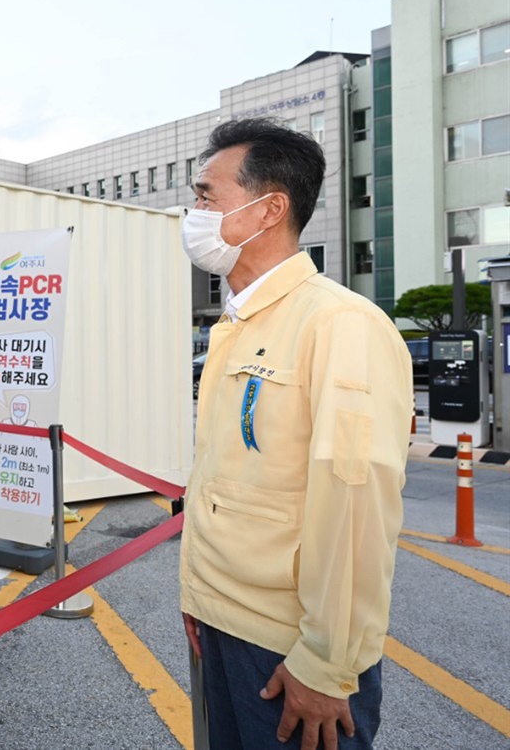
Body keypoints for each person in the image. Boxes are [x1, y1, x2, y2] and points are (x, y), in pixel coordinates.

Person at [179, 118, 412, 750]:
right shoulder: (240, 323)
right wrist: (199, 596)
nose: (194, 212)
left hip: (292, 650)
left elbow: (355, 505)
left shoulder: (340, 325)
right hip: (225, 623)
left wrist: (327, 662)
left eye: (207, 195)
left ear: (269, 208)